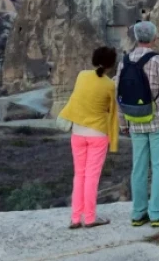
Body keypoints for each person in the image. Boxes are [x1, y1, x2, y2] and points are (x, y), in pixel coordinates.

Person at [116, 20, 159, 228]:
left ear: (136, 38)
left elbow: (119, 95)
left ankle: (138, 213)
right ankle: (157, 214)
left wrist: (123, 123)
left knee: (139, 168)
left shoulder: (124, 62)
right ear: (154, 38)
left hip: (135, 121)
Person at [58, 46, 119, 229]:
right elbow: (112, 112)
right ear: (111, 65)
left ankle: (76, 218)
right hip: (98, 134)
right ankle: (90, 217)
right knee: (92, 177)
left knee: (79, 175)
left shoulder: (82, 76)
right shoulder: (109, 85)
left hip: (78, 132)